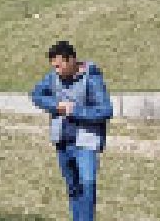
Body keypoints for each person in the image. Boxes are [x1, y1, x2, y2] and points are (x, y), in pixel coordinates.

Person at [29, 41, 112, 221]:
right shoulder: (53, 77)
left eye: (59, 66)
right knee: (73, 188)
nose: (56, 70)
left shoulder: (92, 78)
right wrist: (56, 106)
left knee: (88, 186)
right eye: (54, 67)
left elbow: (105, 110)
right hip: (62, 142)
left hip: (85, 144)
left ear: (72, 60)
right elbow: (35, 95)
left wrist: (74, 110)